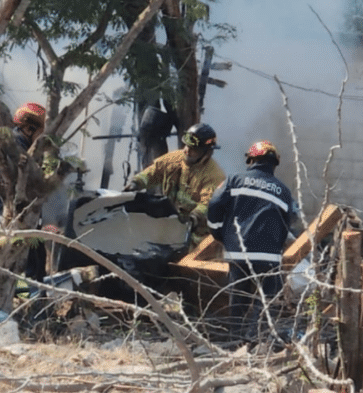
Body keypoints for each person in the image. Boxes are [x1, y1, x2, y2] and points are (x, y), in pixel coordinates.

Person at [207, 140, 296, 338]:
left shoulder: (234, 180)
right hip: (268, 256)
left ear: (251, 160)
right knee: (267, 299)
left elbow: (214, 204)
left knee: (238, 297)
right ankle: (256, 338)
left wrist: (217, 233)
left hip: (237, 252)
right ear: (274, 164)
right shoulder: (283, 191)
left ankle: (235, 339)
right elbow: (289, 221)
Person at [123, 122, 226, 247]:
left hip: (197, 238)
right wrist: (136, 183)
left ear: (206, 152)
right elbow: (154, 172)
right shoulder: (174, 159)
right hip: (171, 227)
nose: (187, 151)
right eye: (186, 146)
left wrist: (194, 218)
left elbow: (208, 204)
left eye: (193, 149)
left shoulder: (214, 176)